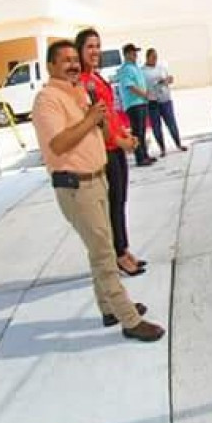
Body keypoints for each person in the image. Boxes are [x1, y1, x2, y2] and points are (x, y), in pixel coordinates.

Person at [32, 40, 164, 342]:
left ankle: (108, 308)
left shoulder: (81, 92)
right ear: (51, 66)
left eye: (73, 60)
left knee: (98, 251)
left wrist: (101, 120)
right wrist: (90, 118)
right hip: (76, 187)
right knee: (106, 255)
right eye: (64, 60)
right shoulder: (47, 100)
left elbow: (100, 132)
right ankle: (129, 320)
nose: (72, 64)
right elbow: (58, 144)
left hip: (97, 180)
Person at [76, 30, 146, 277]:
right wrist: (120, 141)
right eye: (89, 47)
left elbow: (112, 114)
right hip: (105, 150)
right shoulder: (84, 82)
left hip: (116, 145)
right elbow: (97, 120)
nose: (95, 51)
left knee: (120, 201)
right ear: (79, 51)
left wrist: (126, 134)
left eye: (97, 46)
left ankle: (123, 249)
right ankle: (118, 255)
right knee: (114, 203)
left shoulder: (96, 77)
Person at [141, 48, 187, 157]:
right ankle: (162, 148)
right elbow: (142, 86)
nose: (155, 59)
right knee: (156, 126)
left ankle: (178, 143)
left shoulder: (162, 67)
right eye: (153, 57)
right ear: (147, 58)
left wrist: (167, 80)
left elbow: (170, 78)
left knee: (171, 122)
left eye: (156, 57)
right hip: (152, 101)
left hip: (165, 99)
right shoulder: (142, 71)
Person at [115, 43, 154, 167]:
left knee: (142, 131)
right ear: (126, 54)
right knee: (137, 132)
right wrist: (143, 94)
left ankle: (145, 155)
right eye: (132, 53)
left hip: (141, 102)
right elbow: (130, 86)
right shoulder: (126, 69)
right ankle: (140, 157)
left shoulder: (135, 67)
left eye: (135, 53)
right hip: (133, 103)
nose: (135, 55)